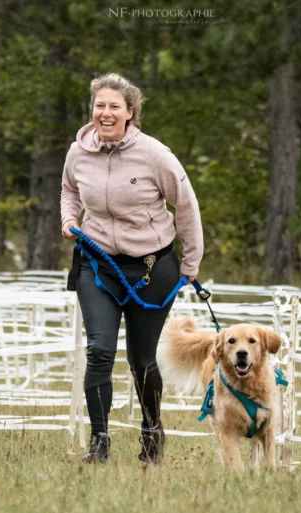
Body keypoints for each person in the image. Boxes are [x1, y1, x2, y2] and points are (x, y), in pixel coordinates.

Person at [60, 73, 204, 464]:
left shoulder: (155, 154)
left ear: (130, 112)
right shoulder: (78, 152)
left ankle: (152, 432)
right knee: (100, 350)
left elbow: (186, 205)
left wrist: (190, 263)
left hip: (151, 268)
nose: (105, 113)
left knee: (142, 360)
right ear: (92, 110)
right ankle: (99, 441)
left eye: (114, 106)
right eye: (99, 105)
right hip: (98, 264)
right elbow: (70, 190)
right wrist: (69, 218)